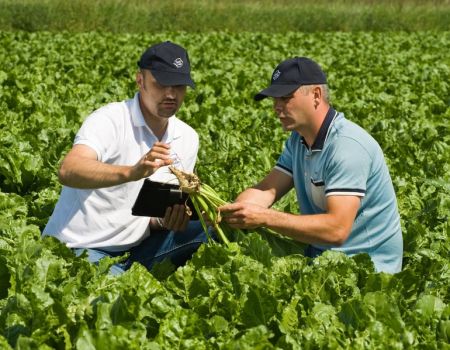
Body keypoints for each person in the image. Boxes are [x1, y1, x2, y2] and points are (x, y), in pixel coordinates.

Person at [218, 57, 403, 273]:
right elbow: (266, 190)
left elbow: (337, 230)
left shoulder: (347, 146)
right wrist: (229, 211)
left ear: (316, 95)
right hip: (323, 259)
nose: (277, 107)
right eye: (274, 99)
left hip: (366, 269)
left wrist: (264, 217)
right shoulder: (299, 139)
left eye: (285, 98)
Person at [43, 41, 209, 274]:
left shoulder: (187, 137)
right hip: (81, 248)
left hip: (139, 248)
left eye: (179, 85)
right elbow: (68, 169)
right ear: (140, 80)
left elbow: (149, 214)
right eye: (161, 83)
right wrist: (131, 172)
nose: (171, 94)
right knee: (127, 299)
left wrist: (168, 220)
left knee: (217, 230)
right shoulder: (110, 120)